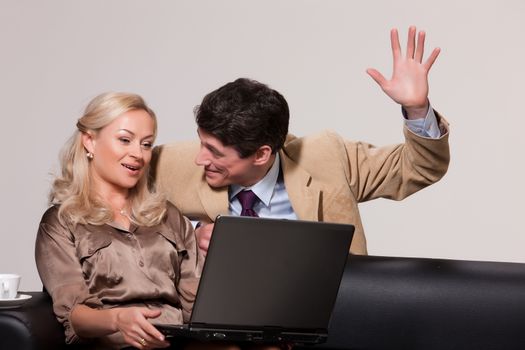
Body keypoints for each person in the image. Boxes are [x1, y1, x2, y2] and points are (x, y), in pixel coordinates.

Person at [151, 26, 450, 255]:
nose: (200, 158)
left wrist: (417, 108)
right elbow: (110, 204)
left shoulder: (329, 157)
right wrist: (191, 232)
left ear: (260, 154)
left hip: (322, 319)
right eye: (202, 143)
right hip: (221, 323)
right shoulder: (168, 164)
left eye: (215, 152)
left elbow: (420, 168)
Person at [35, 92, 204, 349]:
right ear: (90, 141)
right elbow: (74, 315)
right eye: (125, 140)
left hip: (176, 342)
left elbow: (196, 304)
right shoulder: (61, 222)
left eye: (146, 144)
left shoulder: (168, 215)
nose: (138, 154)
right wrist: (118, 319)